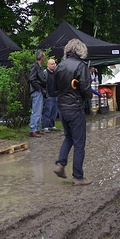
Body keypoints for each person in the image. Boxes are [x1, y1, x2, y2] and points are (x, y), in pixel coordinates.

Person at [53, 38, 92, 186]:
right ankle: (78, 177)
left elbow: (54, 88)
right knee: (79, 143)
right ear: (80, 50)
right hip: (75, 108)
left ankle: (60, 164)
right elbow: (86, 90)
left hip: (62, 108)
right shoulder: (81, 66)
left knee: (68, 137)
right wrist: (87, 95)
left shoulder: (59, 66)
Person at [28, 50, 47, 137]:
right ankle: (33, 129)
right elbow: (32, 79)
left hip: (39, 90)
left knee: (39, 111)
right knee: (36, 110)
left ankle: (36, 128)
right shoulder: (35, 66)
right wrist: (38, 88)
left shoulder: (38, 67)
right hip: (36, 91)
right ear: (42, 57)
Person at [41, 58, 59, 133]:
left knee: (54, 112)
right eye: (52, 64)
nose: (53, 65)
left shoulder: (55, 73)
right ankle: (45, 126)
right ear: (48, 65)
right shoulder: (45, 73)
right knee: (47, 111)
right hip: (48, 96)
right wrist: (46, 94)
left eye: (54, 63)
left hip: (55, 95)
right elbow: (44, 85)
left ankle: (52, 125)